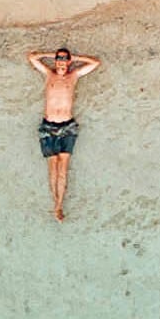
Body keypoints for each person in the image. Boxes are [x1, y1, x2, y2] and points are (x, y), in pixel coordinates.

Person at [26, 47, 101, 221]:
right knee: (53, 167)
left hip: (67, 126)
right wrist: (51, 56)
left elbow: (95, 63)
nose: (61, 63)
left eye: (64, 60)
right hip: (49, 126)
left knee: (63, 169)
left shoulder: (73, 76)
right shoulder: (49, 74)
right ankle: (56, 204)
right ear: (56, 61)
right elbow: (32, 57)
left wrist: (74, 58)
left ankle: (59, 205)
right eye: (58, 60)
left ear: (68, 62)